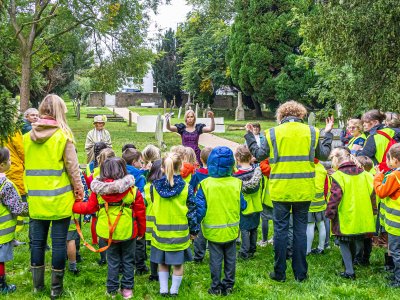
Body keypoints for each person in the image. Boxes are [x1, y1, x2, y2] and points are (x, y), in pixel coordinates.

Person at [244, 100, 334, 282]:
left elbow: (259, 155)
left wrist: (249, 136)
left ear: (281, 115)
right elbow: (324, 155)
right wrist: (328, 134)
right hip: (303, 189)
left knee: (281, 231)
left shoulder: (273, 133)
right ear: (301, 115)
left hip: (281, 189)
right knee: (300, 231)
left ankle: (279, 272)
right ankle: (301, 274)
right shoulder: (312, 132)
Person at [23, 94, 84, 298]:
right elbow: (73, 169)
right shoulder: (63, 136)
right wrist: (79, 191)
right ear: (59, 111)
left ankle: (37, 286)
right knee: (59, 244)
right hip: (59, 200)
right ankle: (56, 290)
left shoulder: (26, 138)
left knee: (37, 243)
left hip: (36, 200)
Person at [73, 157, 146, 299]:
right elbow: (140, 213)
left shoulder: (98, 191)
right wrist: (141, 231)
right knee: (128, 261)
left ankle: (112, 290)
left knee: (112, 261)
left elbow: (89, 207)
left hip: (107, 233)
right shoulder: (133, 191)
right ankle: (127, 290)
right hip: (128, 232)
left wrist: (73, 206)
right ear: (123, 170)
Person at [196, 146, 247, 295]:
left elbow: (200, 210)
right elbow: (243, 205)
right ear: (231, 164)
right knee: (231, 259)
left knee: (215, 260)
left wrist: (193, 227)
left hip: (213, 231)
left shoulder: (205, 184)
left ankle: (216, 287)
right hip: (231, 230)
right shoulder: (236, 183)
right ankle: (229, 285)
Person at [150, 152, 199, 297]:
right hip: (180, 234)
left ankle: (163, 289)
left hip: (160, 234)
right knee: (178, 264)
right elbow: (192, 211)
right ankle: (174, 291)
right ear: (181, 167)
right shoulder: (186, 187)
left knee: (162, 262)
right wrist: (194, 230)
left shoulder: (154, 187)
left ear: (163, 168)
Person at [326, 148, 377, 279]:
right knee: (354, 240)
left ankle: (349, 271)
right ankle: (351, 265)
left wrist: (330, 213)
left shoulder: (338, 176)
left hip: (345, 215)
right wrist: (373, 210)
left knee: (343, 242)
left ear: (336, 160)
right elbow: (372, 195)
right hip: (362, 215)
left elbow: (335, 197)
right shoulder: (366, 174)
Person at [0, 147, 28, 293]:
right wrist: (32, 209)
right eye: (9, 160)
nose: (11, 162)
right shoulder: (5, 185)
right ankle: (2, 286)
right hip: (2, 232)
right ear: (2, 165)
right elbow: (16, 207)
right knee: (0, 260)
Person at [374, 143, 400, 287]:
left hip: (396, 223)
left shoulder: (395, 176)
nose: (387, 162)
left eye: (388, 159)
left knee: (396, 252)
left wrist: (378, 177)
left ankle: (398, 279)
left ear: (395, 160)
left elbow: (382, 192)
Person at [121, 148, 148, 276]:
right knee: (139, 239)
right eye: (140, 162)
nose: (141, 164)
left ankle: (122, 265)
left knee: (123, 239)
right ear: (134, 162)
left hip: (121, 210)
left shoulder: (118, 172)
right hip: (136, 210)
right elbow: (142, 197)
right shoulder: (139, 175)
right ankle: (140, 265)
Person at [233, 145, 263, 260]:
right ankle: (252, 249)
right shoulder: (256, 171)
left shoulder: (236, 177)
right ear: (251, 157)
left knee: (244, 229)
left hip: (244, 206)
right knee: (254, 228)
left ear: (238, 159)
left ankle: (244, 251)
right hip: (256, 205)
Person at [189, 147, 212, 263]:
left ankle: (198, 256)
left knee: (200, 232)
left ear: (201, 160)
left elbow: (191, 188)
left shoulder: (197, 174)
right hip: (213, 204)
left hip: (199, 204)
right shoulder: (215, 174)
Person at [142, 159, 163, 282]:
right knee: (163, 249)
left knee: (154, 250)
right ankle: (164, 272)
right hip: (161, 223)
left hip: (149, 224)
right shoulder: (166, 188)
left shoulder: (147, 187)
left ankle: (153, 274)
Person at [306, 159, 328, 255]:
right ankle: (321, 247)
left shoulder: (307, 167)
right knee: (321, 224)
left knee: (310, 225)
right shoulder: (322, 168)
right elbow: (326, 186)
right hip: (321, 200)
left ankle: (307, 250)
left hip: (309, 200)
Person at [257, 159, 274, 247]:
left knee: (264, 219)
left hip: (266, 199)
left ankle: (264, 240)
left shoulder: (264, 169)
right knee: (276, 220)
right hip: (276, 198)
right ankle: (274, 239)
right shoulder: (277, 168)